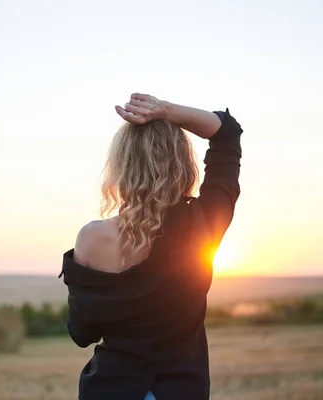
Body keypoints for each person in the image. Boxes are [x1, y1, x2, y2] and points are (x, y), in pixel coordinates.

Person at [59, 93, 243, 400]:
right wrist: (168, 111)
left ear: (121, 166)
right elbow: (227, 133)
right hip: (180, 390)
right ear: (183, 164)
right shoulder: (202, 222)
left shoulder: (90, 238)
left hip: (110, 390)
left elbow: (81, 334)